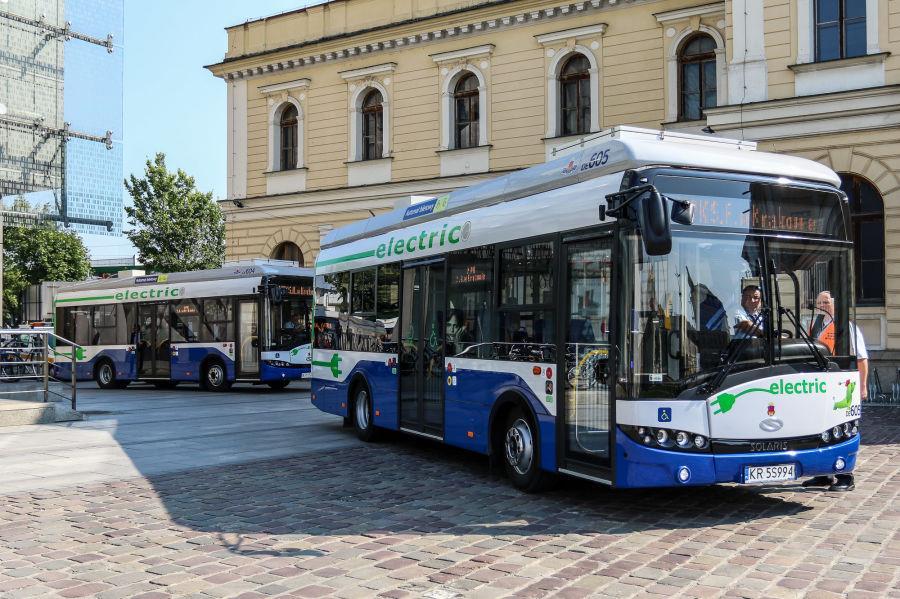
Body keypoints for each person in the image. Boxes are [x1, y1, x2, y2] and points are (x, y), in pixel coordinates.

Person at [802, 290, 866, 492]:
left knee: (842, 429)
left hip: (841, 386)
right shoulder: (813, 326)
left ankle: (845, 475)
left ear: (835, 305)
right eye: (819, 302)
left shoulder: (846, 327)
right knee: (819, 429)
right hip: (819, 388)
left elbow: (862, 359)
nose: (822, 306)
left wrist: (862, 387)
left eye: (826, 302)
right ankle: (822, 474)